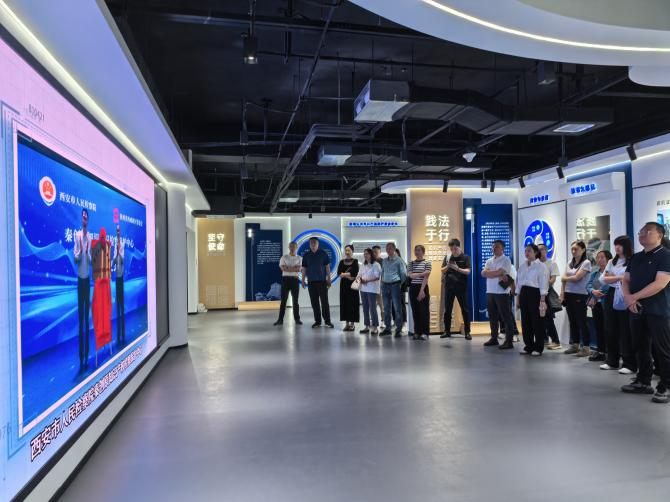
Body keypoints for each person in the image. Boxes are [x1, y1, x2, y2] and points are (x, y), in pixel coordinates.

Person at [620, 222, 670, 403]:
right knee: (640, 346)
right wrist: (628, 298)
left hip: (658, 310)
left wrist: (633, 297)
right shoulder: (636, 257)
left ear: (660, 235)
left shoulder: (665, 256)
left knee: (663, 349)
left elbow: (660, 283)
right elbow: (626, 280)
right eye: (641, 231)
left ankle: (666, 385)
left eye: (647, 231)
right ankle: (643, 380)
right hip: (636, 309)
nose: (642, 234)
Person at [600, 235, 635, 373]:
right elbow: (603, 279)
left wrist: (613, 278)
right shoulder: (611, 261)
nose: (617, 247)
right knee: (610, 329)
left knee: (626, 330)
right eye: (615, 245)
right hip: (611, 294)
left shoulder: (633, 260)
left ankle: (629, 364)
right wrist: (621, 277)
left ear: (626, 246)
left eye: (620, 245)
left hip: (625, 294)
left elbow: (631, 279)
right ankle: (612, 361)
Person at [481, 240, 516, 350]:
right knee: (492, 317)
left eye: (497, 247)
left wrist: (490, 273)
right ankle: (494, 338)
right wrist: (495, 273)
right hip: (490, 291)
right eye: (493, 247)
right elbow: (483, 273)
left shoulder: (506, 260)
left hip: (502, 293)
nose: (494, 249)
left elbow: (499, 272)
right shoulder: (489, 261)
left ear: (502, 248)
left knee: (506, 317)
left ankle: (509, 341)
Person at [560, 240, 592, 357]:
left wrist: (565, 278)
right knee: (572, 321)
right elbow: (564, 280)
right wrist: (562, 293)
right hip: (568, 294)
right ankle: (575, 345)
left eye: (576, 249)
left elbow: (577, 278)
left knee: (581, 321)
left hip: (580, 295)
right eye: (572, 249)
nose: (573, 251)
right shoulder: (569, 262)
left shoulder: (586, 262)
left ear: (583, 250)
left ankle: (586, 347)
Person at [516, 244, 549, 356]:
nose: (526, 253)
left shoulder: (541, 266)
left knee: (537, 321)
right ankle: (528, 346)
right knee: (525, 321)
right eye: (525, 251)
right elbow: (519, 283)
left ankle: (538, 348)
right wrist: (518, 298)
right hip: (524, 293)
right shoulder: (522, 266)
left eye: (529, 251)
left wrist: (542, 300)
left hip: (535, 294)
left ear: (535, 252)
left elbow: (543, 283)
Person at [440, 238, 472, 340]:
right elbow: (442, 270)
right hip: (449, 287)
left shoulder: (465, 257)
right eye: (451, 249)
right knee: (447, 310)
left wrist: (457, 268)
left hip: (461, 287)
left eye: (454, 248)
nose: (453, 251)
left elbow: (468, 271)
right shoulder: (448, 257)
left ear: (459, 247)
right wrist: (448, 266)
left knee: (465, 310)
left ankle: (467, 332)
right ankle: (447, 331)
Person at [74, 208, 92, 369]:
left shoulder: (90, 237)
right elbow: (75, 259)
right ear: (81, 219)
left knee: (87, 319)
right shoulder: (78, 236)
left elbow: (92, 261)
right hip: (80, 281)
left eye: (86, 217)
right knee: (81, 320)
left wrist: (88, 253)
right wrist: (80, 251)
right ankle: (81, 357)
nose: (84, 219)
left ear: (88, 220)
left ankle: (87, 354)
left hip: (88, 282)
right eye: (83, 217)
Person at [301, 237, 333, 328]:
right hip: (311, 282)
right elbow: (304, 268)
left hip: (322, 281)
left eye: (315, 242)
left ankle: (327, 321)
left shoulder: (323, 253)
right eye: (311, 243)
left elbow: (327, 267)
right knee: (314, 303)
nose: (313, 244)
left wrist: (329, 278)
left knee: (324, 302)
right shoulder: (306, 255)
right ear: (309, 244)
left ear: (318, 244)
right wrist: (303, 280)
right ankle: (317, 321)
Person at [586, 250, 612, 362]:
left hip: (607, 304)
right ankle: (601, 352)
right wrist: (593, 292)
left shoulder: (611, 272)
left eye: (602, 257)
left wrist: (595, 296)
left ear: (608, 259)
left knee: (608, 329)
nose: (599, 259)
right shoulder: (595, 273)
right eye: (598, 257)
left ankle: (610, 354)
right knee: (599, 328)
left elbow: (608, 286)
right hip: (596, 305)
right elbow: (588, 285)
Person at [538, 243, 562, 350]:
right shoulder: (535, 263)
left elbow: (552, 280)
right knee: (540, 318)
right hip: (536, 294)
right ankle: (544, 339)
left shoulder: (552, 263)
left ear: (546, 251)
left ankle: (556, 341)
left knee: (548, 319)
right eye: (538, 250)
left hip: (546, 294)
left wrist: (543, 282)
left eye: (542, 249)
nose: (540, 251)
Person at [380, 242, 406, 337]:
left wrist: (400, 284)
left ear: (394, 249)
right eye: (387, 248)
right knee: (386, 308)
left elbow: (403, 274)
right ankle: (388, 328)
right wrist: (382, 283)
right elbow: (382, 273)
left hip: (395, 285)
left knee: (397, 308)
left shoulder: (399, 260)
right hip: (385, 285)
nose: (388, 250)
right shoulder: (384, 261)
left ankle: (398, 329)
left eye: (390, 248)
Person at [274, 241, 303, 326]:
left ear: (296, 247)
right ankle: (280, 320)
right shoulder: (284, 257)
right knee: (283, 301)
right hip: (285, 280)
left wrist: (288, 268)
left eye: (294, 246)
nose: (292, 248)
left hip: (295, 280)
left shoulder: (300, 258)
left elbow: (299, 269)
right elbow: (282, 268)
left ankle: (297, 319)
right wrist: (293, 268)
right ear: (289, 247)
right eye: (291, 246)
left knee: (295, 301)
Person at [408, 245, 432, 341]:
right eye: (416, 250)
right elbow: (411, 276)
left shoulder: (427, 263)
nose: (417, 252)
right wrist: (422, 273)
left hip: (423, 287)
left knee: (424, 311)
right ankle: (417, 332)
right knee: (415, 311)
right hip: (413, 288)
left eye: (419, 250)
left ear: (423, 252)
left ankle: (425, 333)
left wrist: (422, 291)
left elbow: (426, 277)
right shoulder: (411, 263)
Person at [358, 248, 382, 335]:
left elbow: (377, 277)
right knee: (365, 308)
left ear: (371, 254)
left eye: (367, 253)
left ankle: (375, 327)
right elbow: (359, 274)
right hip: (363, 289)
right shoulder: (363, 265)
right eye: (364, 254)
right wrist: (360, 279)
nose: (365, 255)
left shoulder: (376, 264)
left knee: (372, 308)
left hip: (372, 289)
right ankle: (367, 326)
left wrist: (367, 280)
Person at [337, 245, 360, 331]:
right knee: (344, 304)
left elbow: (355, 272)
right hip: (344, 286)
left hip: (352, 286)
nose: (347, 252)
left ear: (352, 251)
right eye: (346, 250)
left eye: (349, 250)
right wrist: (348, 275)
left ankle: (352, 324)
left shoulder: (355, 261)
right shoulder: (341, 262)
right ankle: (346, 324)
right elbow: (339, 273)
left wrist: (344, 274)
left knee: (353, 304)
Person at [113, 224, 125, 345]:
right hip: (116, 278)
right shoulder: (115, 247)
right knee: (117, 303)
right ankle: (118, 330)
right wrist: (115, 252)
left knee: (122, 303)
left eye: (118, 230)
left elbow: (122, 261)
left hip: (121, 278)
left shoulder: (122, 245)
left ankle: (123, 329)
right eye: (116, 230)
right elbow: (113, 262)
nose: (117, 232)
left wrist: (119, 252)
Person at [372, 245, 385, 327]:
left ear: (380, 253)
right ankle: (373, 321)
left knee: (381, 305)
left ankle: (383, 321)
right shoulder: (370, 262)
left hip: (380, 287)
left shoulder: (383, 262)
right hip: (371, 287)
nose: (374, 254)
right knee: (372, 305)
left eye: (376, 252)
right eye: (373, 252)